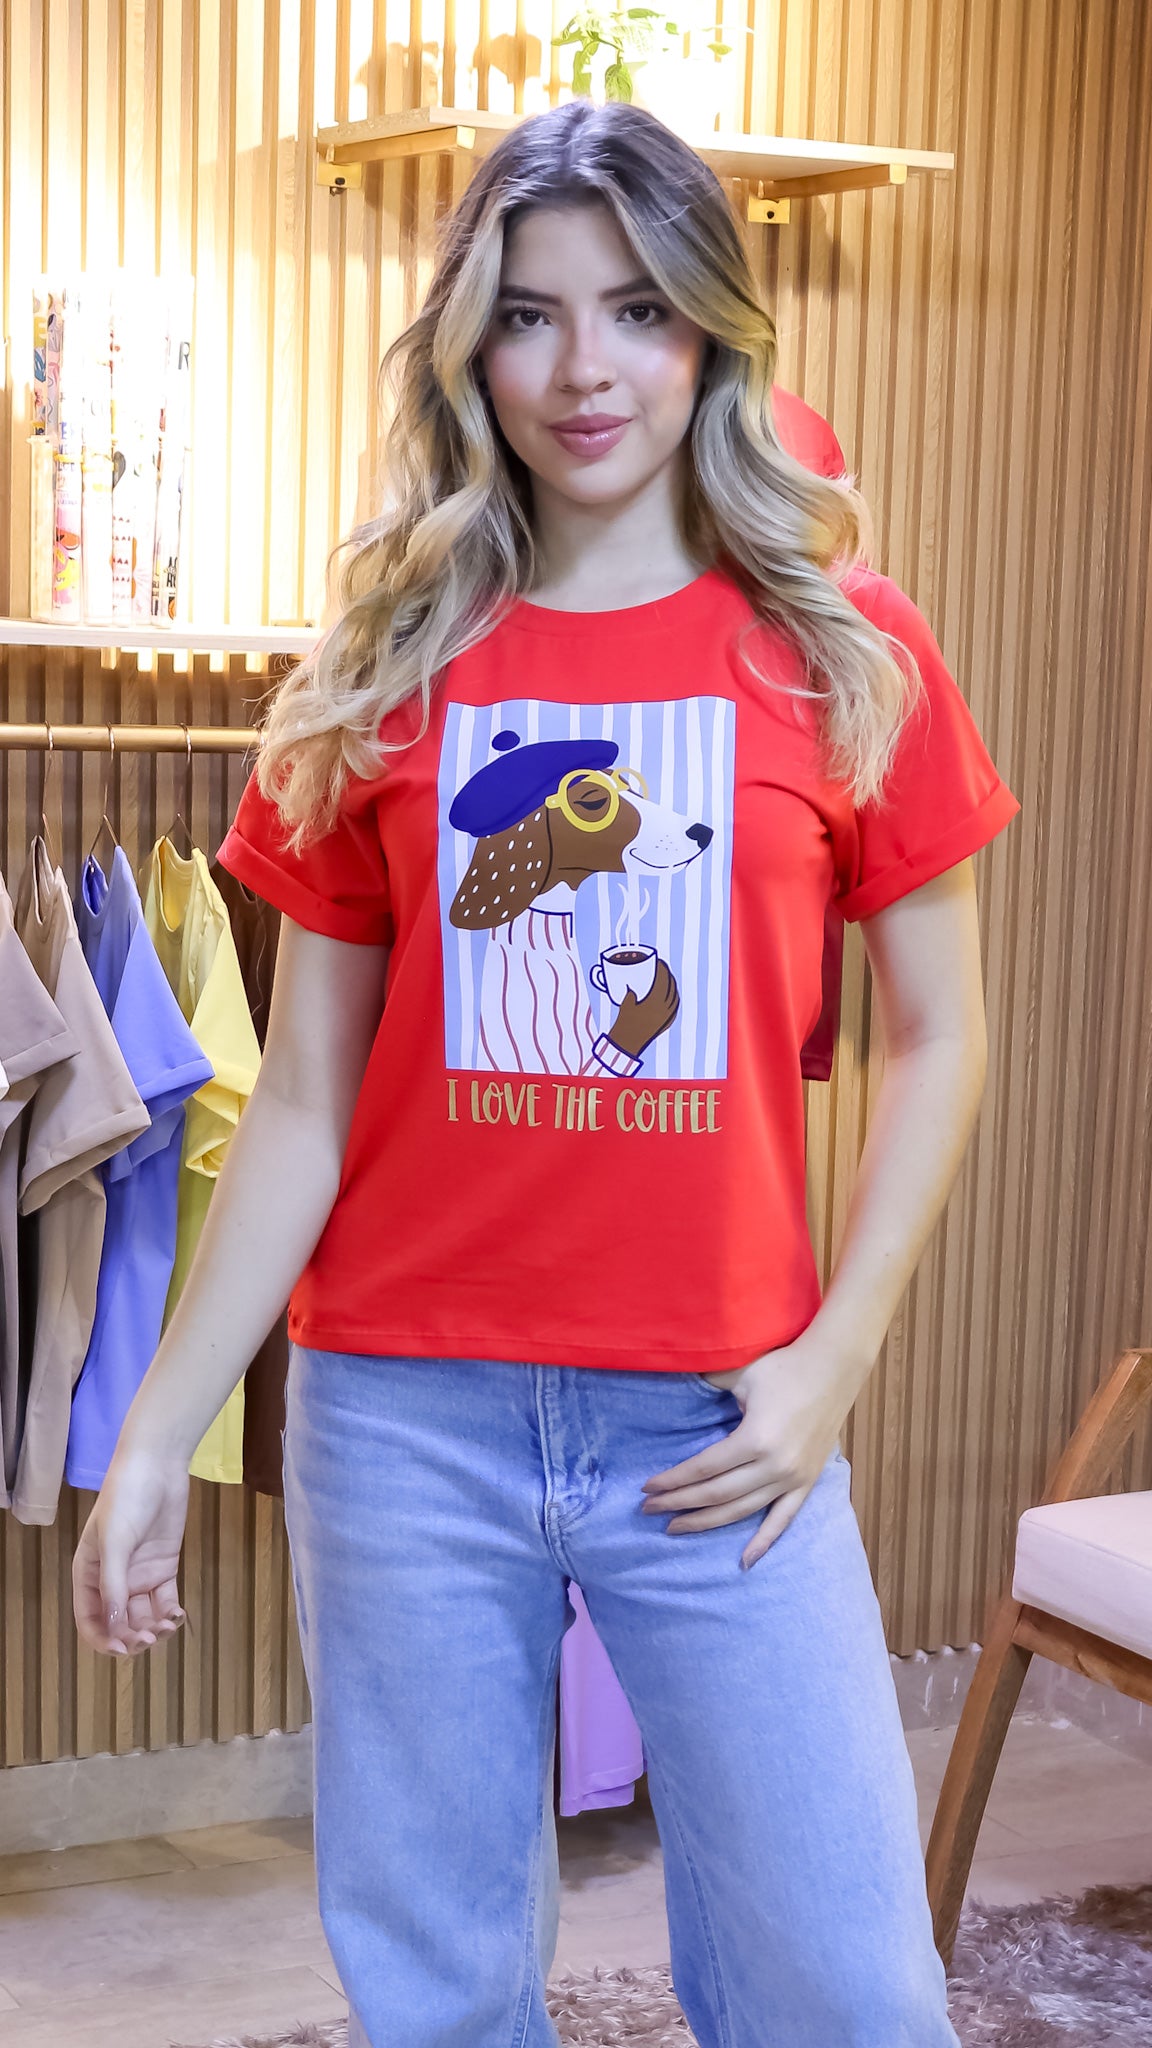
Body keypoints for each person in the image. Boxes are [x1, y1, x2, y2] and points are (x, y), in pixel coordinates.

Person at [73, 97, 1020, 2048]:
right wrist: (160, 1428)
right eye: (528, 314)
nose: (586, 369)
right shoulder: (389, 662)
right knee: (437, 1987)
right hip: (402, 1419)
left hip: (723, 1415)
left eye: (638, 308)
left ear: (711, 327)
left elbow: (945, 1035)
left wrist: (835, 1357)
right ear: (469, 347)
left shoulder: (843, 644)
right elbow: (303, 1101)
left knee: (849, 1991)